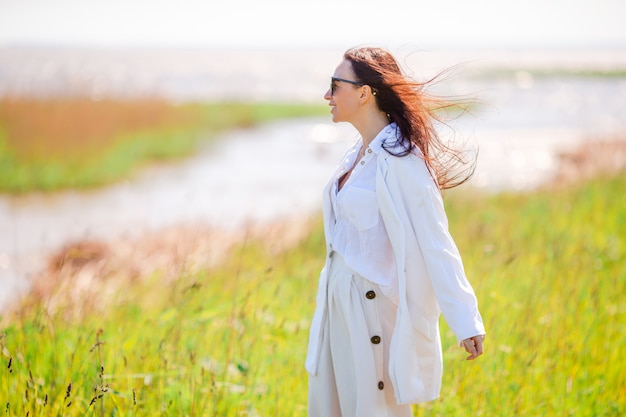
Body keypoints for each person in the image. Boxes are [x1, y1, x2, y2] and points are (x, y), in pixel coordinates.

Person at [305, 46, 486, 417]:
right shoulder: (357, 153)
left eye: (334, 85)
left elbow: (435, 240)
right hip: (337, 303)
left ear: (363, 92)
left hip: (371, 310)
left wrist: (466, 320)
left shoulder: (402, 159)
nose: (327, 95)